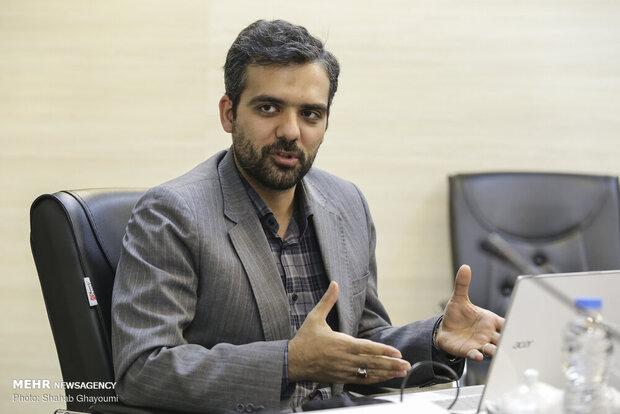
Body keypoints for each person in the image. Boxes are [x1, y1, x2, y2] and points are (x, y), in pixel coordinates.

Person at [111, 19, 504, 413]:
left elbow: (361, 344)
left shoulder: (347, 202)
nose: (290, 131)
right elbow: (142, 370)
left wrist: (436, 339)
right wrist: (289, 362)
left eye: (310, 114)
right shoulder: (173, 213)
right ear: (229, 114)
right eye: (269, 108)